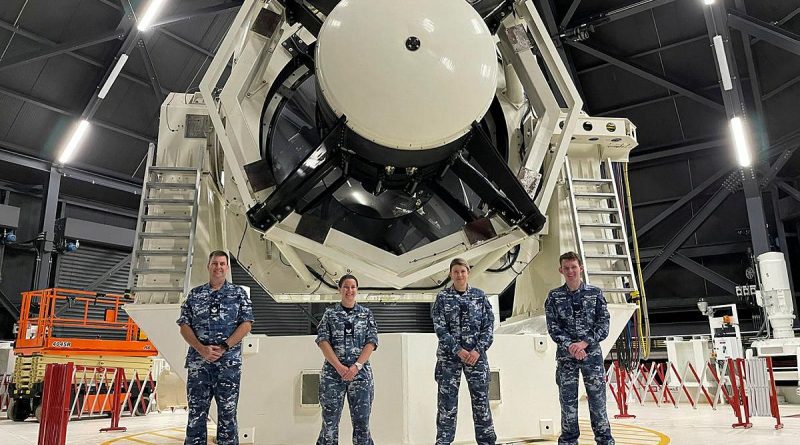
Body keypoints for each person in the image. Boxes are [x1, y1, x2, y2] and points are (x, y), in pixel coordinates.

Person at [176, 250, 254, 445]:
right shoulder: (195, 294)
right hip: (199, 365)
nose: (218, 267)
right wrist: (201, 348)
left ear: (227, 267)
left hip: (228, 365)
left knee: (227, 415)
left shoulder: (238, 294)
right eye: (215, 263)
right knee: (196, 415)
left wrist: (225, 346)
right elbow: (184, 325)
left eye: (222, 264)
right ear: (208, 266)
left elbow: (246, 324)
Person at [544, 251, 614, 445]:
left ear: (580, 268)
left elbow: (603, 324)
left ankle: (604, 441)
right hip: (566, 359)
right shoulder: (554, 296)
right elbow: (553, 327)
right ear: (561, 270)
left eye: (574, 267)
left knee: (598, 402)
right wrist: (570, 346)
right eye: (566, 268)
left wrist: (584, 343)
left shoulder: (595, 293)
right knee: (568, 404)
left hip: (591, 356)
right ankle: (568, 441)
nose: (570, 271)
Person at [431, 258, 496, 445]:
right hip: (449, 359)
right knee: (447, 404)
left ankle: (487, 441)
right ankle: (443, 441)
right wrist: (457, 350)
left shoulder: (479, 296)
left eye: (463, 271)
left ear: (468, 273)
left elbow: (489, 326)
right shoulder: (443, 298)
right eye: (456, 272)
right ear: (451, 274)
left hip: (477, 359)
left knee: (481, 403)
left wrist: (478, 350)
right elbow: (440, 328)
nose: (460, 275)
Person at [315, 274, 379, 445]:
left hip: (361, 376)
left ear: (357, 290)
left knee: (362, 424)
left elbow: (371, 342)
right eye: (346, 287)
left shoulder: (366, 314)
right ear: (339, 289)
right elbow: (322, 341)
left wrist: (356, 367)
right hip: (332, 375)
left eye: (353, 287)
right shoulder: (330, 314)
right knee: (329, 424)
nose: (349, 290)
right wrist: (339, 367)